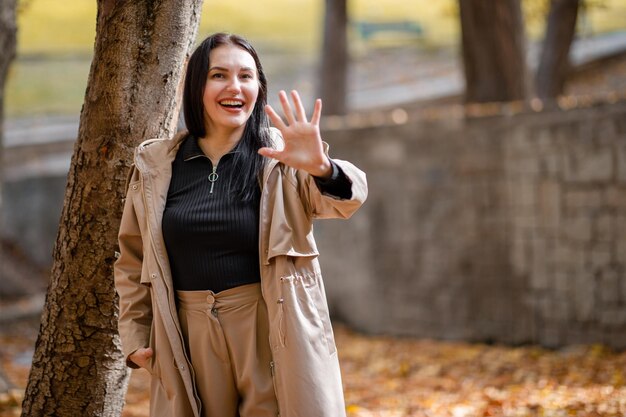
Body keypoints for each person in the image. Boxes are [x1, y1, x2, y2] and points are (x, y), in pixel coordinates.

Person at [114, 32, 367, 417]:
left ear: (258, 88)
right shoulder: (158, 166)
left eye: (246, 76)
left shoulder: (282, 160)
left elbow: (348, 199)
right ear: (196, 86)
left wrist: (323, 168)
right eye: (219, 75)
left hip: (270, 328)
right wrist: (134, 337)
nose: (235, 87)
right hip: (186, 334)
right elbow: (131, 260)